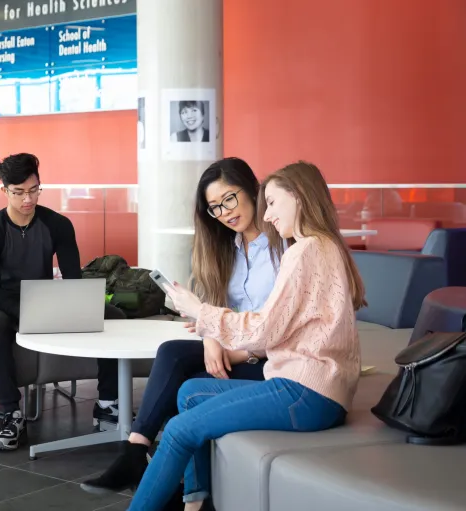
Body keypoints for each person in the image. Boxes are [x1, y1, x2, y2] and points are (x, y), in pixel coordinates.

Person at [126, 161, 365, 510]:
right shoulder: (324, 246)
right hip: (315, 388)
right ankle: (197, 503)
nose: (267, 216)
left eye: (272, 202)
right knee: (190, 392)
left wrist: (199, 311)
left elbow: (263, 329)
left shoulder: (303, 251)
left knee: (178, 430)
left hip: (305, 392)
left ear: (298, 198)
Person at [81, 157, 283, 495]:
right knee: (172, 352)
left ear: (253, 189)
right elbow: (221, 311)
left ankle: (189, 495)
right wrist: (210, 337)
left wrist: (231, 351)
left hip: (271, 357)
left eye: (229, 198)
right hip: (236, 343)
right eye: (215, 207)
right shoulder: (229, 249)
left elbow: (277, 326)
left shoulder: (282, 248)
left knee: (188, 387)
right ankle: (135, 449)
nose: (225, 212)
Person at [0, 153, 127, 452]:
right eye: (18, 192)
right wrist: (28, 311)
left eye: (34, 190)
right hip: (5, 303)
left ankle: (107, 403)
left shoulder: (57, 224)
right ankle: (11, 413)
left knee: (114, 315)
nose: (27, 199)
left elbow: (72, 279)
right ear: (5, 190)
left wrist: (73, 305)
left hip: (45, 298)